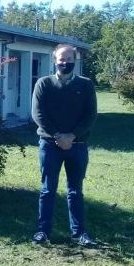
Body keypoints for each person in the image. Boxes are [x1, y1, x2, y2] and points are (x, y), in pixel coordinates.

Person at [31, 44, 98, 246]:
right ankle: (43, 231)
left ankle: (79, 233)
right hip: (49, 145)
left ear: (74, 61)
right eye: (62, 59)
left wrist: (71, 136)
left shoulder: (86, 85)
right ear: (55, 60)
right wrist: (58, 135)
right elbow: (38, 114)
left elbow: (90, 115)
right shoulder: (44, 84)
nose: (65, 62)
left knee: (75, 191)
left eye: (69, 59)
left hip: (78, 146)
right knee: (47, 190)